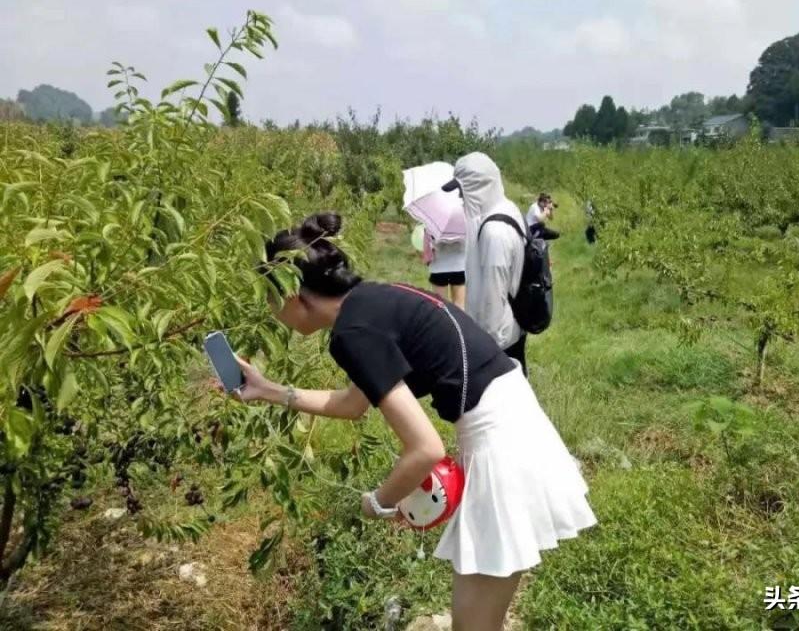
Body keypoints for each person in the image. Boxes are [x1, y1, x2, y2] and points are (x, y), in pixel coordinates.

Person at [233, 212, 596, 631]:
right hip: (514, 417)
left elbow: (425, 449)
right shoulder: (373, 302)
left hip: (500, 441)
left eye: (270, 298)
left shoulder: (352, 332)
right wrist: (271, 390)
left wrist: (380, 502)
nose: (271, 311)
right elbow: (353, 404)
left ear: (295, 294)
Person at [443, 153, 529, 374]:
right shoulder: (507, 209)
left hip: (498, 341)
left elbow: (492, 299)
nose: (461, 199)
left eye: (463, 192)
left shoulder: (494, 233)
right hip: (508, 332)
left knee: (500, 403)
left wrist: (480, 348)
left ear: (478, 187)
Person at [424, 233, 466, 309]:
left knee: (440, 305)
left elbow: (428, 245)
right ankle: (457, 321)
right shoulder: (463, 224)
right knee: (459, 305)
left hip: (438, 267)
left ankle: (441, 320)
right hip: (459, 266)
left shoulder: (434, 223)